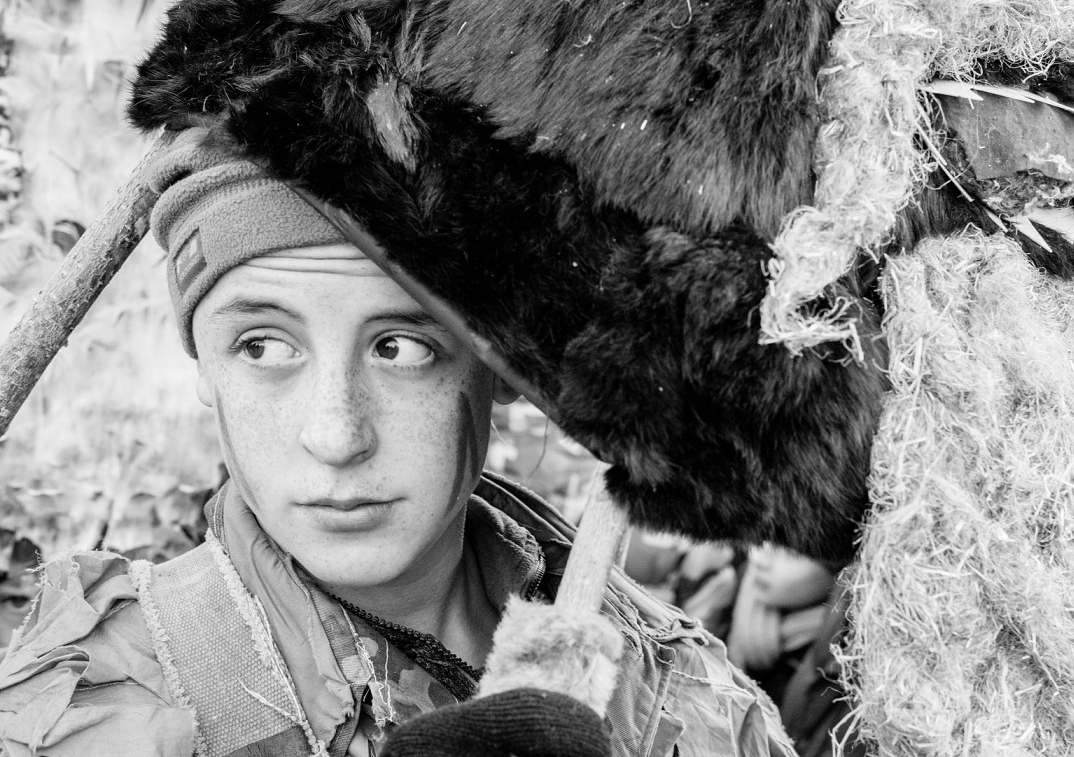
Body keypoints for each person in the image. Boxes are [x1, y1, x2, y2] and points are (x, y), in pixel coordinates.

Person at [0, 125, 796, 757]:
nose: (335, 436)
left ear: (498, 366)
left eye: (401, 347)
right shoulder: (99, 712)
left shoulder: (682, 689)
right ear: (204, 367)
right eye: (263, 346)